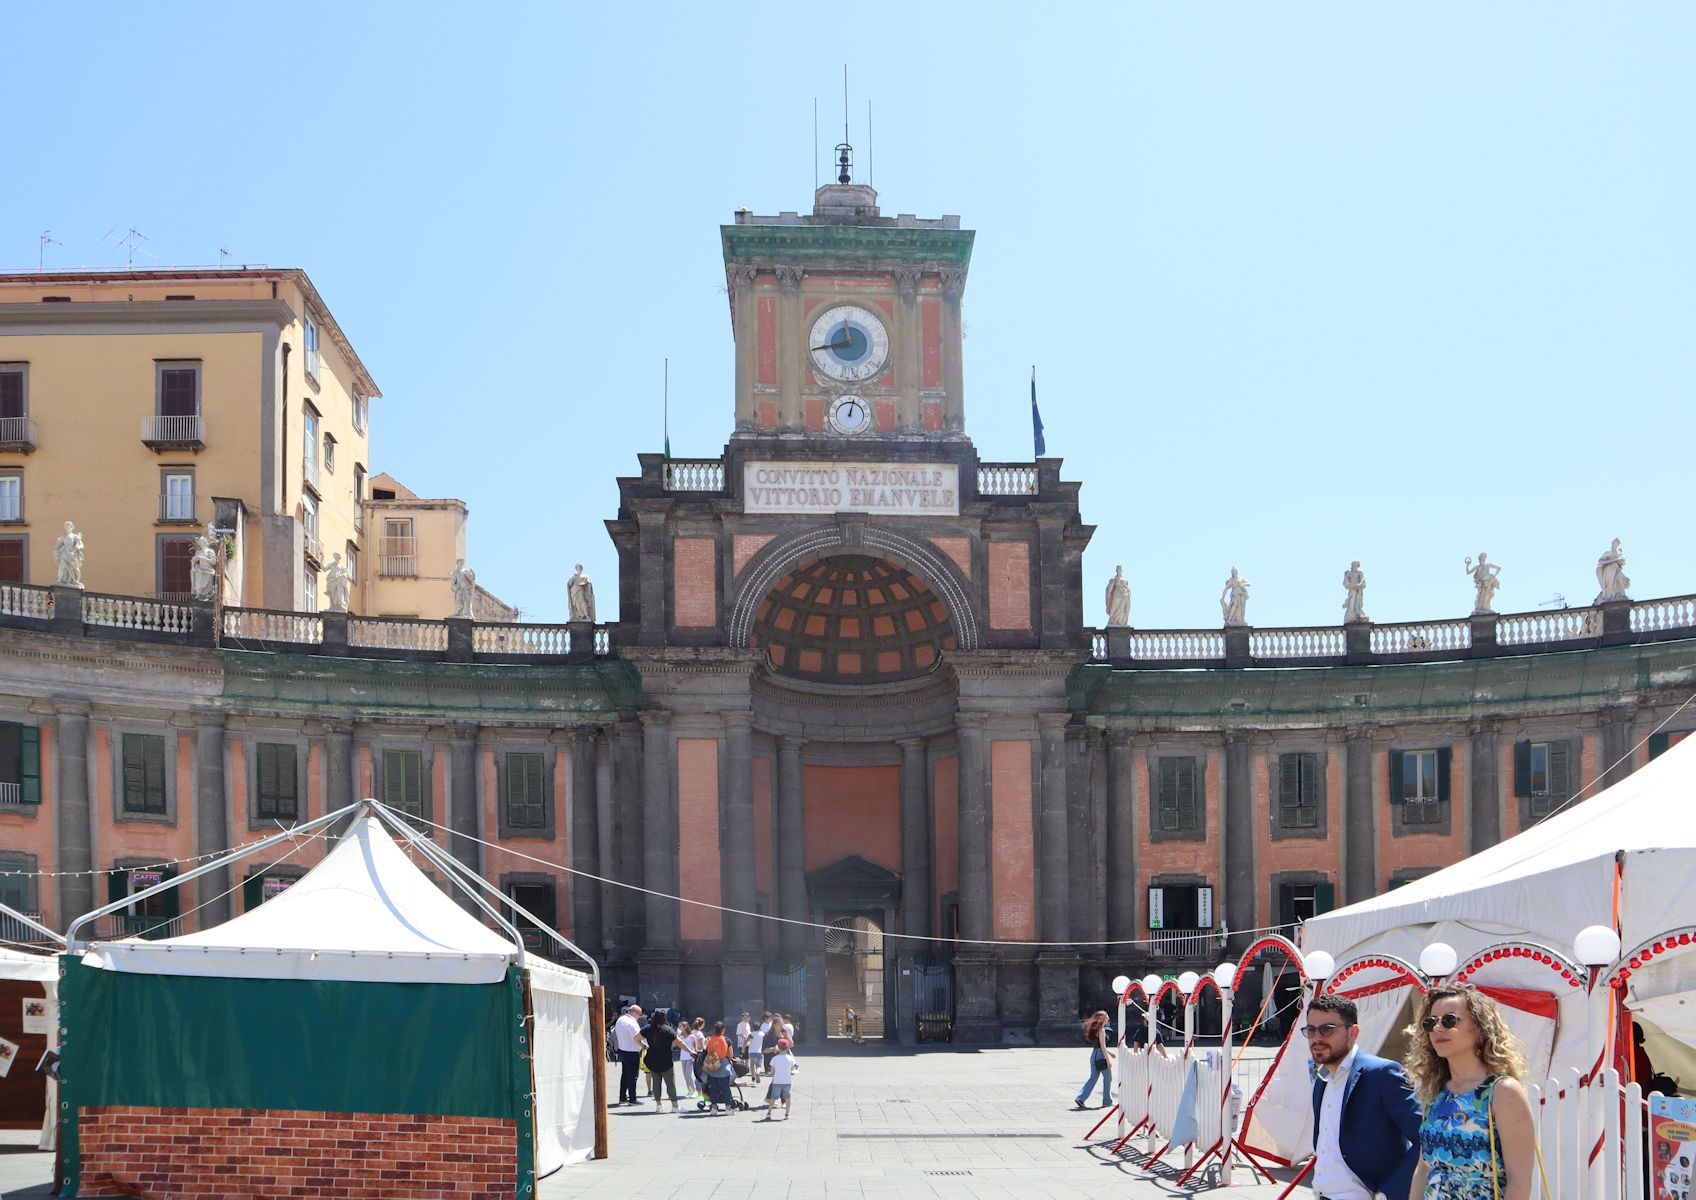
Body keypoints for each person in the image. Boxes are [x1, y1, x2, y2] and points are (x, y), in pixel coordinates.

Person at [1406, 984, 1536, 1200]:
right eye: (1430, 1022)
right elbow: (1424, 1168)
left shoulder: (1503, 1091)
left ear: (1479, 1027)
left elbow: (1520, 1179)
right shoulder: (1436, 1091)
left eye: (1449, 1020)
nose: (1438, 1028)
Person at [1304, 993, 1421, 1200]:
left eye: (1327, 1029)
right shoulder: (1322, 1079)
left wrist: (1390, 1193)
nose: (1317, 1037)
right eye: (1311, 1030)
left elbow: (1425, 1137)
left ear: (1353, 1032)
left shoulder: (1382, 1073)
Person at [639, 1011, 680, 1113]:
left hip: (652, 1060)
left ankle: (659, 1106)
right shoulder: (668, 1029)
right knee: (670, 1084)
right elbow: (678, 1042)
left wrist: (644, 1046)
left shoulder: (648, 1028)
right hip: (666, 1061)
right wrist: (690, 1051)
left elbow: (636, 1038)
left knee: (656, 1084)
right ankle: (675, 1106)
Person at [1074, 1010, 1115, 1109]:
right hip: (1100, 1055)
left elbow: (1099, 1045)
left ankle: (1081, 1098)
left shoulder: (1095, 1029)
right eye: (1106, 1017)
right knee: (1108, 1078)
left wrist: (1110, 1053)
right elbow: (1103, 1046)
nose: (1108, 1018)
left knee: (1093, 1078)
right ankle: (1107, 1101)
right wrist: (1108, 1060)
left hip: (1094, 1054)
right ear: (1101, 1019)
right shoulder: (1102, 1030)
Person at [612, 1004, 645, 1107]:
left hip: (622, 1050)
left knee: (625, 1075)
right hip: (632, 1052)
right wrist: (644, 1046)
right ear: (634, 1012)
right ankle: (632, 1098)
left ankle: (622, 1097)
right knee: (633, 1076)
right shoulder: (632, 1023)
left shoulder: (620, 1020)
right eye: (639, 1015)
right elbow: (636, 1038)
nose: (639, 1017)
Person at [759, 1037, 797, 1121]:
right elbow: (793, 1069)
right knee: (787, 1097)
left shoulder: (774, 1058)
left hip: (777, 1081)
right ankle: (787, 1114)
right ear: (787, 1048)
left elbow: (772, 1071)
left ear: (778, 1048)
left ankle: (769, 1113)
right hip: (787, 1081)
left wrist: (774, 1073)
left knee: (773, 1098)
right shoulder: (791, 1058)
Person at [703, 1021, 736, 1115]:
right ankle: (728, 1109)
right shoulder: (727, 1040)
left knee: (713, 1087)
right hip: (724, 1066)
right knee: (726, 1087)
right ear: (723, 1030)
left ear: (714, 1030)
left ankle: (714, 1108)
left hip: (713, 1065)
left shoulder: (710, 1040)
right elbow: (730, 1055)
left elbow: (708, 1051)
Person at [748, 1013, 767, 1082]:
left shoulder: (751, 1034)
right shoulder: (762, 1034)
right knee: (758, 1066)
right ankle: (758, 1073)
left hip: (751, 1052)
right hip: (759, 1052)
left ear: (753, 1027)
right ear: (759, 1028)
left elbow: (746, 1042)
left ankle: (753, 1077)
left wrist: (744, 1049)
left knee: (752, 1065)